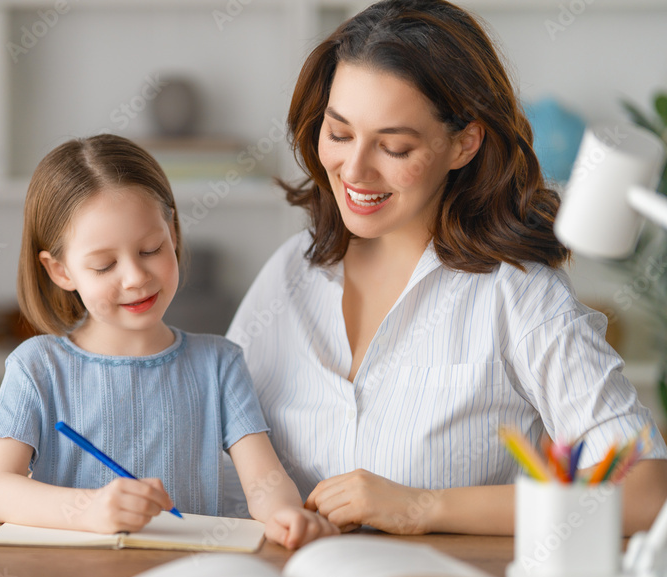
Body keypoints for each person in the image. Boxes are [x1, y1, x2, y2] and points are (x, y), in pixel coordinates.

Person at [227, 0, 667, 536]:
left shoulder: (518, 293)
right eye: (339, 134)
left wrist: (424, 506)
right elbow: (219, 438)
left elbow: (646, 492)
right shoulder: (290, 272)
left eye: (393, 146)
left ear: (463, 143)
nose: (355, 169)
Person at [0, 134, 335, 549]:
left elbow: (264, 484)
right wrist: (91, 509)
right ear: (60, 271)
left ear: (174, 232)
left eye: (150, 249)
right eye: (104, 264)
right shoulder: (37, 366)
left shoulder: (219, 363)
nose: (135, 277)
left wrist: (286, 514)